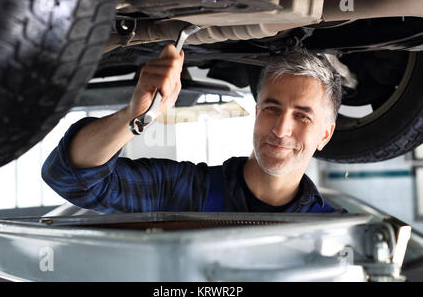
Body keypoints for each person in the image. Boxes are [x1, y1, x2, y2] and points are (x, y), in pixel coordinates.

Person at [41, 44, 346, 214]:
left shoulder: (341, 232)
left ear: (325, 134)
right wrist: (134, 116)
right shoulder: (186, 192)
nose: (281, 129)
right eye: (272, 109)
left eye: (302, 117)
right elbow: (69, 178)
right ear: (256, 113)